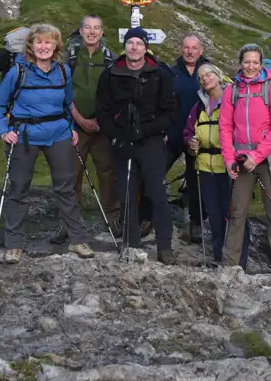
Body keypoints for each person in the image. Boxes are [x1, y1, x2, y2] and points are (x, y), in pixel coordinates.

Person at [0, 24, 94, 264]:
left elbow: (67, 103)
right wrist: (4, 131)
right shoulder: (18, 72)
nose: (43, 47)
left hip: (58, 134)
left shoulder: (64, 72)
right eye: (39, 42)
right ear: (31, 46)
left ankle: (78, 240)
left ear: (56, 46)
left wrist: (71, 129)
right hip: (23, 135)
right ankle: (14, 245)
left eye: (48, 42)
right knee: (18, 189)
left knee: (65, 188)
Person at [96, 27, 177, 264]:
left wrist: (148, 129)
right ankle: (130, 243)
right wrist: (116, 138)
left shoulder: (159, 74)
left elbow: (170, 111)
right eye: (130, 43)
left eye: (139, 43)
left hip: (150, 141)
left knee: (157, 193)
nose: (134, 47)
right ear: (125, 46)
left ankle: (165, 246)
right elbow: (104, 112)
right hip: (123, 142)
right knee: (127, 193)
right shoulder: (110, 75)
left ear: (145, 47)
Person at [219, 44, 271, 282]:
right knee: (237, 212)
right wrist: (230, 159)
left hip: (269, 159)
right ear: (240, 63)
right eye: (246, 61)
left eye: (255, 62)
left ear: (261, 64)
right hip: (241, 160)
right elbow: (225, 127)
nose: (250, 66)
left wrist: (257, 156)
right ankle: (229, 264)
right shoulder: (232, 90)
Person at [50, 15, 120, 244]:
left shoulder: (111, 59)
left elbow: (115, 94)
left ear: (102, 32)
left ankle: (114, 220)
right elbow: (62, 92)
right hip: (74, 127)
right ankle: (68, 224)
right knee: (71, 175)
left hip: (103, 127)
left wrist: (100, 119)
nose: (92, 32)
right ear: (80, 31)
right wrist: (80, 120)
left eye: (96, 28)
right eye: (88, 28)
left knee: (108, 173)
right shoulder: (68, 58)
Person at [183, 64, 250, 265]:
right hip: (205, 168)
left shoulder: (233, 100)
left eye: (209, 74)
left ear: (219, 76)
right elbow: (188, 132)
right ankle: (219, 256)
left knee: (234, 214)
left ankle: (239, 260)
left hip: (230, 168)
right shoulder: (199, 106)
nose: (205, 78)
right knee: (213, 214)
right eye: (201, 76)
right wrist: (190, 143)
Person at [162, 32, 211, 242]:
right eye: (186, 48)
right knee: (154, 174)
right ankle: (148, 217)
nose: (190, 52)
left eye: (194, 48)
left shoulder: (209, 73)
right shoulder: (172, 73)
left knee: (196, 181)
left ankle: (197, 223)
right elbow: (162, 103)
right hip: (173, 134)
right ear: (181, 50)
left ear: (201, 50)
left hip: (198, 138)